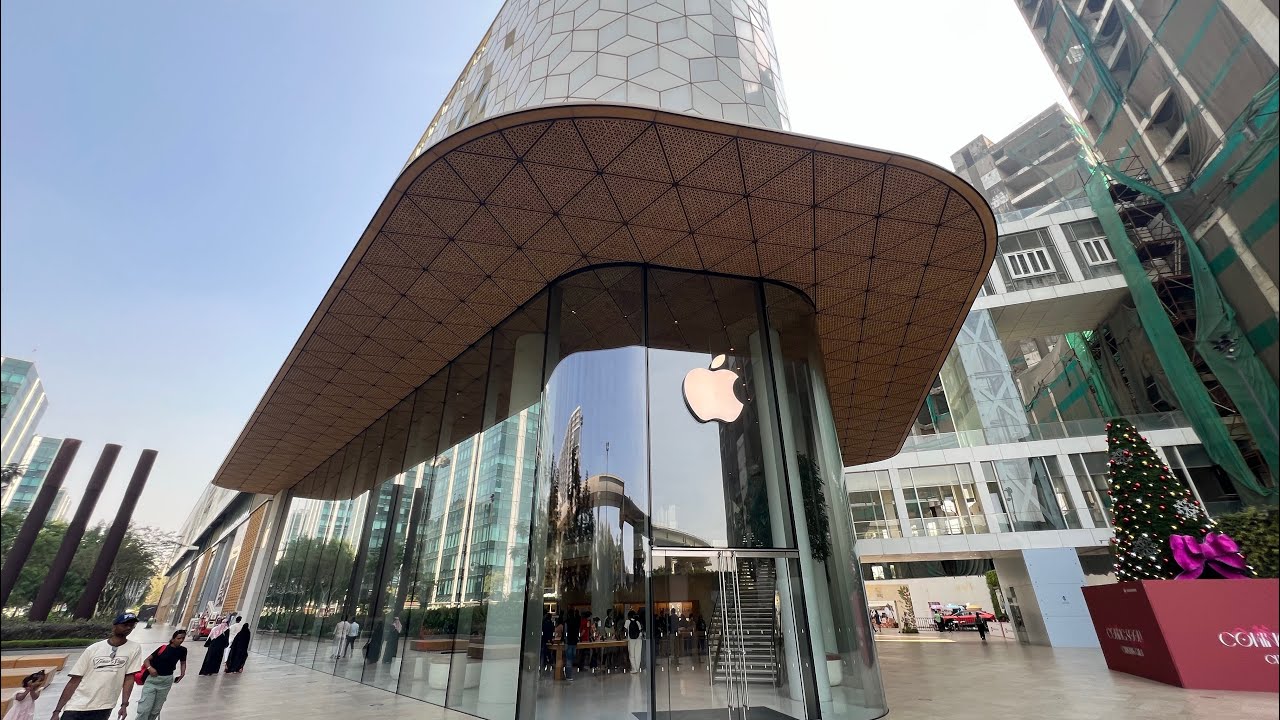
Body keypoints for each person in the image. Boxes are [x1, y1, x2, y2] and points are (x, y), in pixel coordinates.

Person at [49, 612, 142, 720]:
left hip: (104, 707)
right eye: (125, 624)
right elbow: (75, 680)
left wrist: (124, 704)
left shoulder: (134, 648)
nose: (128, 628)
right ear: (114, 626)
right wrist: (57, 711)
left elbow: (129, 678)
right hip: (77, 705)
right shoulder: (94, 649)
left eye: (132, 625)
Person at [135, 629, 188, 720]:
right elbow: (146, 660)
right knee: (144, 708)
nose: (181, 640)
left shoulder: (183, 650)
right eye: (179, 638)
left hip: (166, 681)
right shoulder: (163, 648)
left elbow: (183, 662)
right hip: (152, 680)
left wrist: (182, 673)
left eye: (183, 638)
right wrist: (150, 668)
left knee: (156, 710)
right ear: (173, 639)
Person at [562, 610, 580, 682]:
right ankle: (570, 674)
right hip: (574, 643)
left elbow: (566, 633)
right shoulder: (576, 622)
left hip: (568, 642)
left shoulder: (567, 622)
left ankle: (568, 676)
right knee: (571, 659)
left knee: (568, 660)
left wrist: (565, 640)